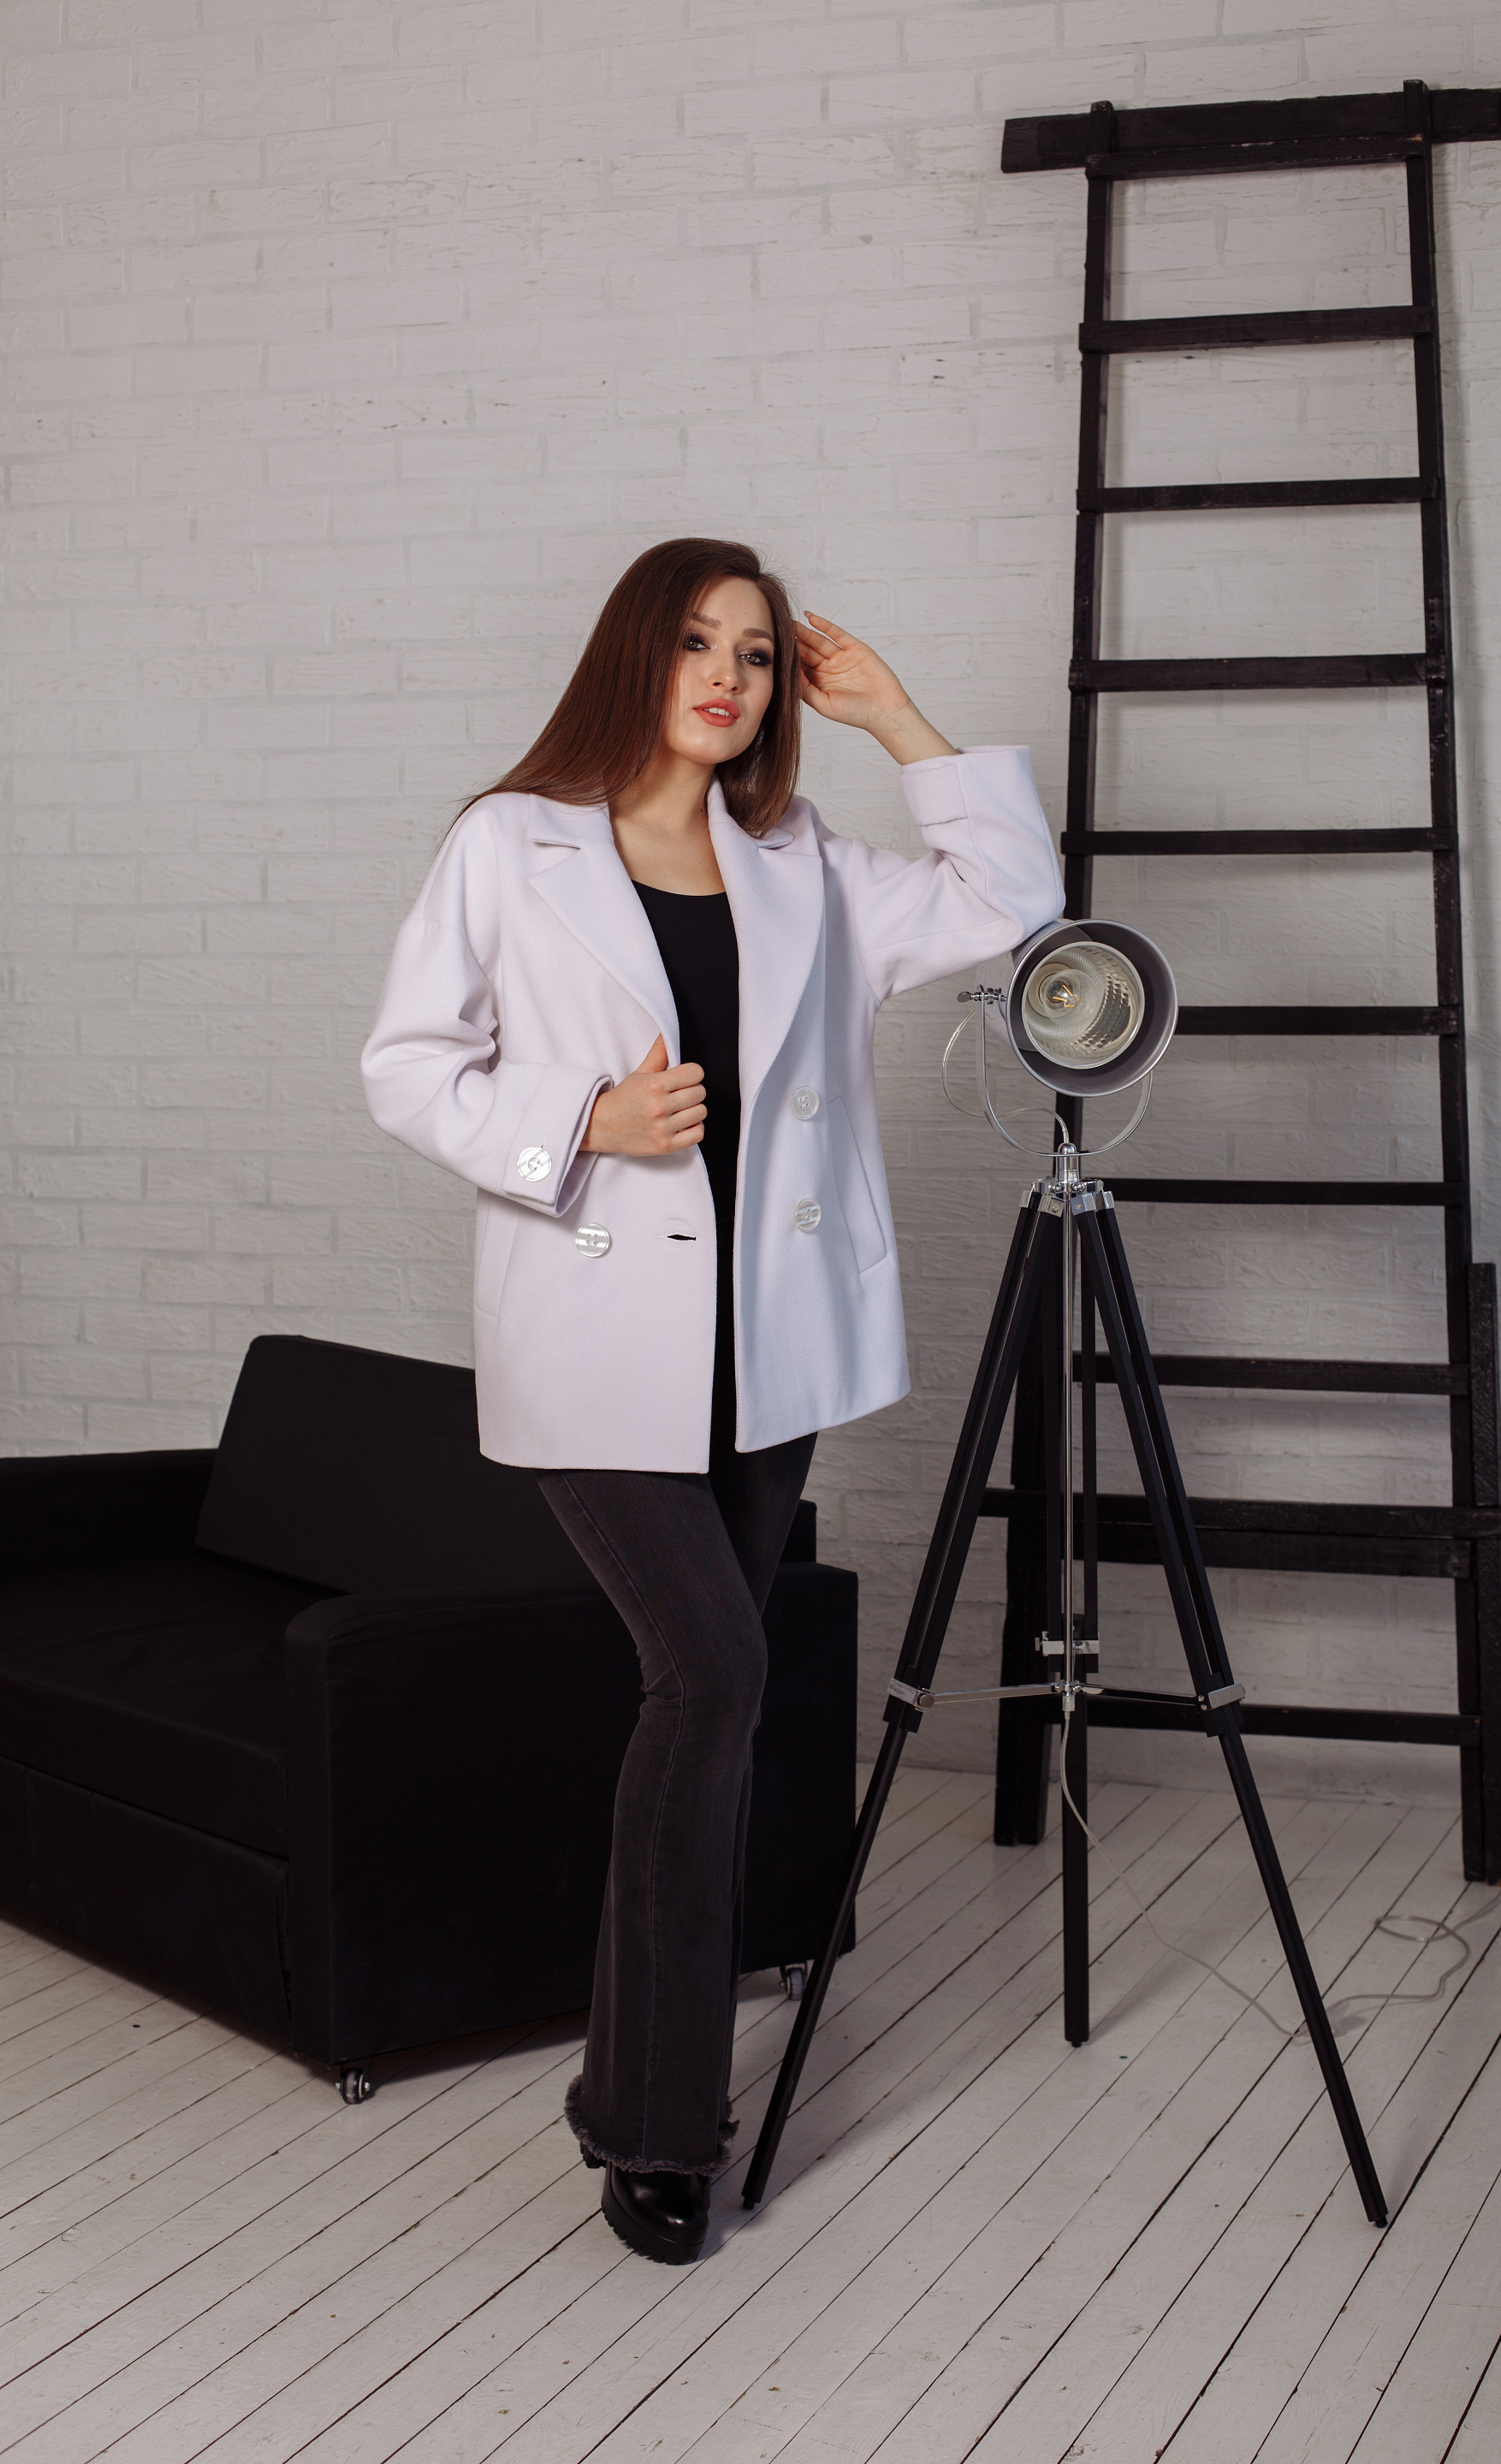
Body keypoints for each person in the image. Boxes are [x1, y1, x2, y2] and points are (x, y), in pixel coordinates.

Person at [361, 537, 1063, 2265]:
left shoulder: (800, 858)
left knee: (702, 1707)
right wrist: (577, 1124)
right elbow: (406, 1066)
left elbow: (1013, 904)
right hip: (599, 1339)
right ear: (637, 652)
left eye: (755, 652)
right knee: (717, 1676)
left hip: (769, 1351)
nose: (730, 677)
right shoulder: (510, 842)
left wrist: (895, 714)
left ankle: (633, 2080)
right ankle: (659, 2126)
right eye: (698, 641)